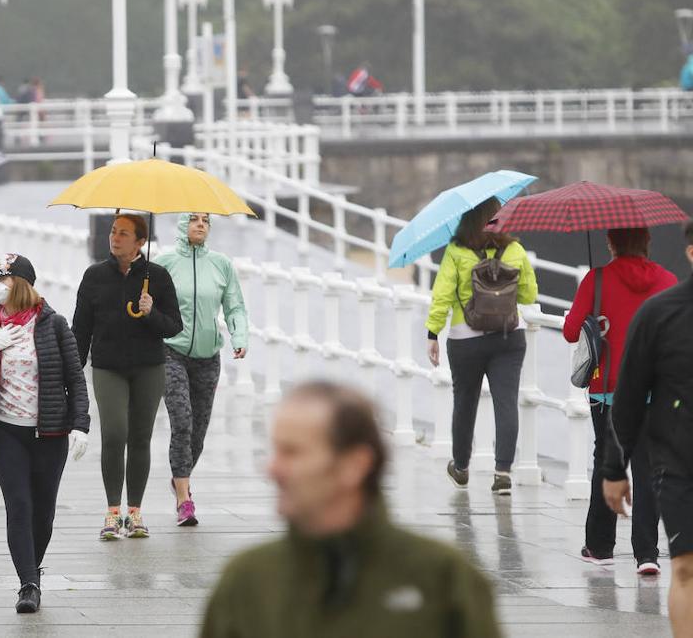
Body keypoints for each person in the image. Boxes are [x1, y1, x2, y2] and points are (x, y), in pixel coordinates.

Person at [199, 381, 501, 638]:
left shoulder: (441, 577)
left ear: (355, 465)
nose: (273, 468)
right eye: (276, 450)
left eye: (293, 452)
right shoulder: (246, 580)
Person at [0, 254, 90, 614]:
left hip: (50, 431)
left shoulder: (54, 325)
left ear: (18, 284)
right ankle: (28, 584)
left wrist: (80, 423)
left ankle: (32, 568)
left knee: (43, 514)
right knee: (19, 506)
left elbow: (75, 378)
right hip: (5, 432)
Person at [562, 228, 675, 572]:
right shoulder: (668, 280)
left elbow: (569, 332)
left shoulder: (596, 280)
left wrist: (594, 317)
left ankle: (600, 547)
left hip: (608, 389)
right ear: (647, 243)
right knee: (649, 468)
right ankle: (647, 555)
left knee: (607, 462)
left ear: (611, 243)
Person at [605, 220, 693, 634]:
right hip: (678, 462)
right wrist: (612, 468)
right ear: (691, 252)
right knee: (687, 568)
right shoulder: (659, 313)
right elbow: (628, 393)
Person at [73, 213, 182, 540]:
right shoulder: (94, 276)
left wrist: (152, 313)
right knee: (115, 433)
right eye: (112, 231)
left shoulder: (157, 277)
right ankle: (112, 511)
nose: (114, 238)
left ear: (140, 242)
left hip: (148, 367)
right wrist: (72, 375)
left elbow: (174, 326)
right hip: (108, 368)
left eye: (123, 234)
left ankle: (134, 512)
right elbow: (80, 330)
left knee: (139, 437)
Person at [425, 197, 537, 495]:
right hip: (508, 337)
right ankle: (502, 471)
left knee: (464, 402)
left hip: (465, 339)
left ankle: (461, 467)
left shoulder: (456, 250)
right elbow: (528, 295)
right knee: (506, 402)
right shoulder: (514, 249)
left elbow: (443, 295)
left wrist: (433, 332)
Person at [153, 213, 248, 526]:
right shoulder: (165, 262)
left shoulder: (221, 264)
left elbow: (234, 306)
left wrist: (239, 336)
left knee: (198, 432)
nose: (200, 224)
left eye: (206, 220)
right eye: (193, 219)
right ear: (182, 225)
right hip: (171, 351)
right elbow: (148, 305)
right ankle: (184, 499)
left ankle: (180, 475)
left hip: (208, 357)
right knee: (182, 420)